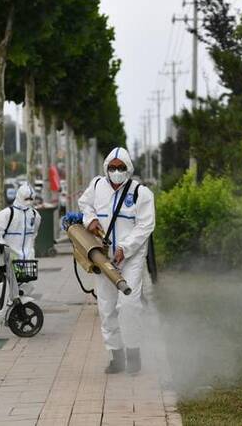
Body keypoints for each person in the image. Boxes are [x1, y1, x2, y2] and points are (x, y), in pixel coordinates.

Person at [78, 147, 155, 374]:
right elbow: (84, 204)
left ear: (129, 168)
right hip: (103, 256)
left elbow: (145, 226)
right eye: (112, 167)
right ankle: (116, 356)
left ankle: (134, 353)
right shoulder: (96, 186)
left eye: (121, 168)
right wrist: (90, 219)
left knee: (129, 305)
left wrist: (125, 247)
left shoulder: (141, 193)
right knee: (107, 307)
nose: (116, 172)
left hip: (130, 258)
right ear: (106, 168)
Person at [0, 182, 42, 260]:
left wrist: (30, 249)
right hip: (8, 258)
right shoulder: (7, 213)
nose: (29, 202)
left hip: (28, 260)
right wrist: (2, 247)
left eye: (31, 199)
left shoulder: (35, 215)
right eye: (26, 199)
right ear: (20, 197)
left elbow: (34, 234)